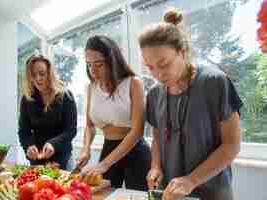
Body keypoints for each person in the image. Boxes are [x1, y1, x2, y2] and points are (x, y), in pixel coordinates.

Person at [139, 7, 243, 200]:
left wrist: (191, 180)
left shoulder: (215, 82)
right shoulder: (154, 94)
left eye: (164, 64)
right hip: (171, 192)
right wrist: (155, 165)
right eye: (150, 67)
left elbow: (232, 144)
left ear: (182, 52)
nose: (158, 75)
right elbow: (156, 136)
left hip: (213, 192)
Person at [76, 35, 151, 191]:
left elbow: (137, 131)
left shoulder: (133, 83)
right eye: (89, 65)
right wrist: (85, 149)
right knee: (102, 195)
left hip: (135, 150)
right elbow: (90, 126)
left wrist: (103, 164)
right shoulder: (91, 88)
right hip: (108, 148)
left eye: (99, 64)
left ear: (113, 60)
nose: (93, 70)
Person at [18, 54, 77, 169]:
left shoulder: (65, 96)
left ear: (50, 73)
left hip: (62, 159)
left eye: (42, 74)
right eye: (33, 75)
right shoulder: (27, 98)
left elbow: (70, 130)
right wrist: (28, 146)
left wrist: (53, 144)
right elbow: (23, 131)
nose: (38, 78)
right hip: (37, 162)